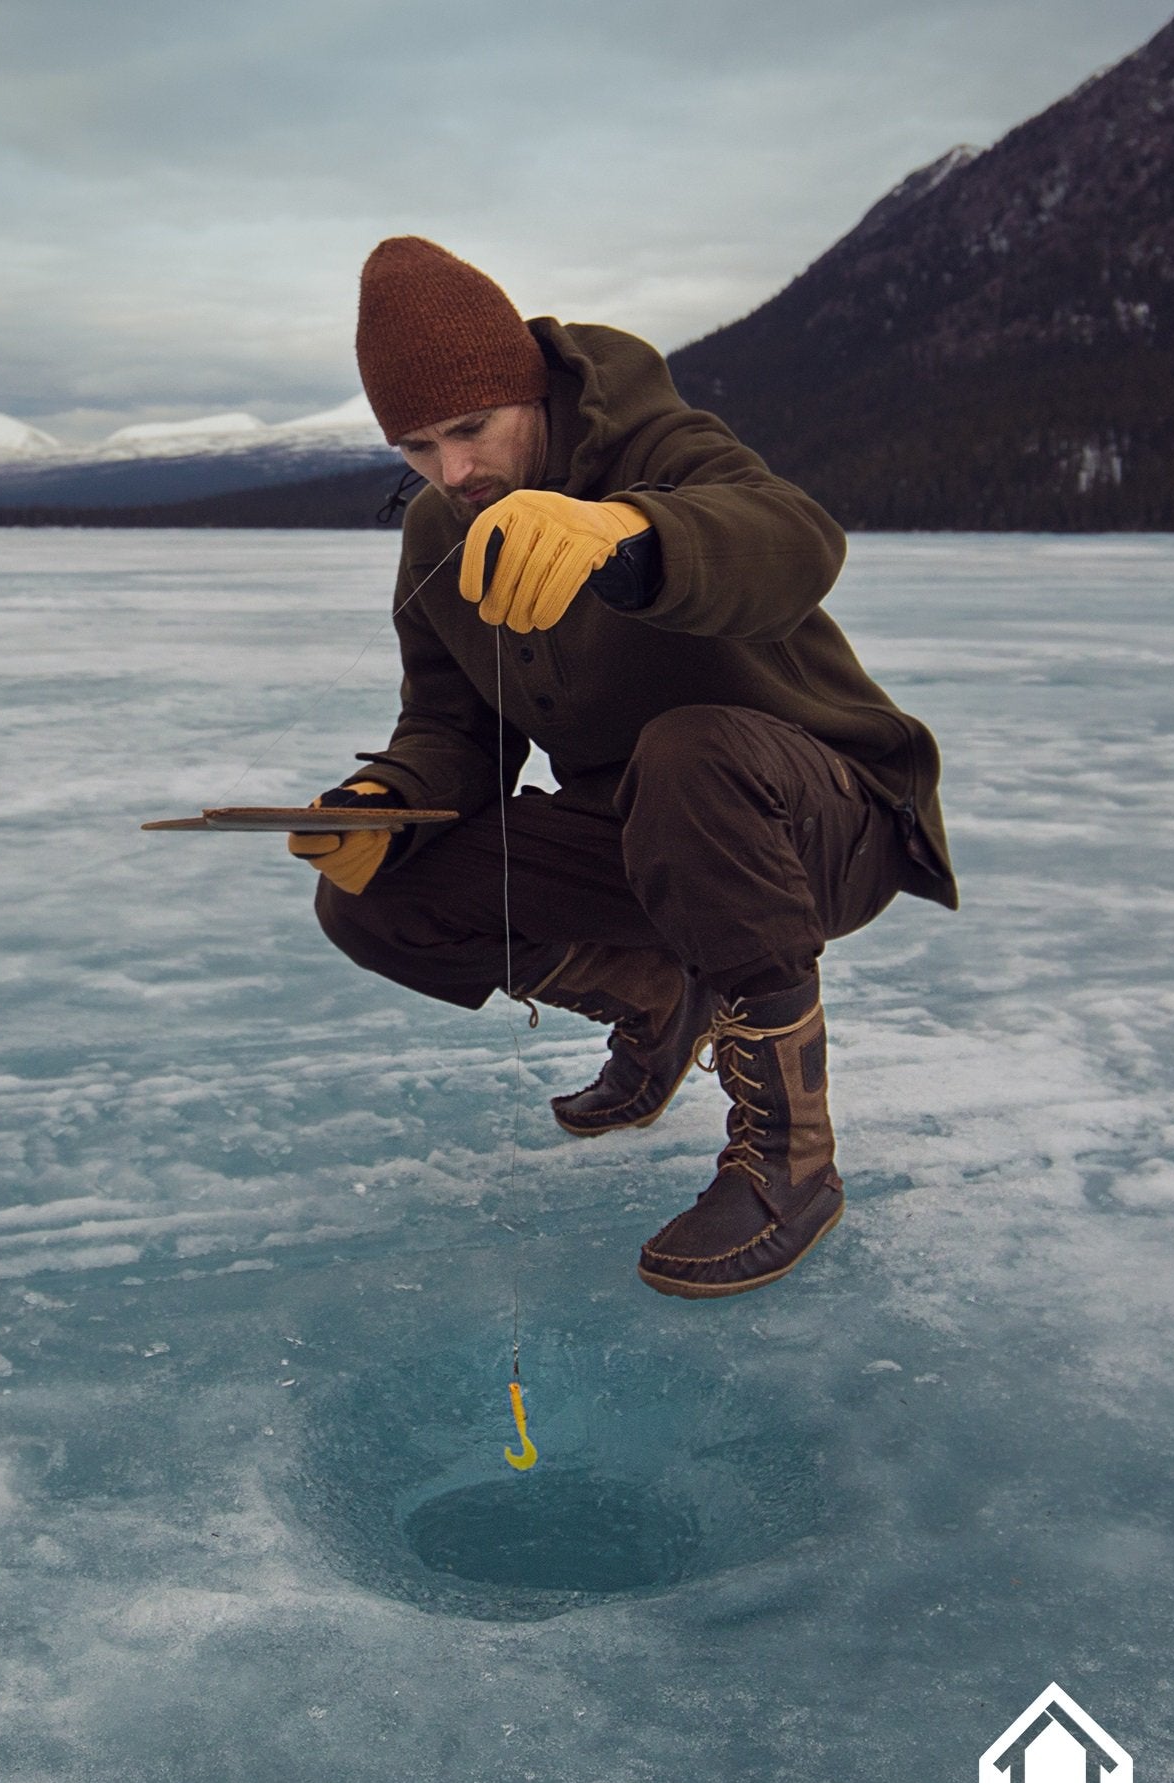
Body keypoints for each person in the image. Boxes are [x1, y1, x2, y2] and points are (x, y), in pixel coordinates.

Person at [290, 236, 957, 1300]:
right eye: (417, 446)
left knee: (691, 749)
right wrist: (389, 801)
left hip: (822, 815)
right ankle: (658, 996)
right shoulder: (439, 532)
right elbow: (453, 727)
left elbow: (796, 539)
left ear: (531, 391)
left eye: (472, 428)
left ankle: (791, 1159)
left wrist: (629, 535)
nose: (454, 470)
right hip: (649, 839)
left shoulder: (651, 440)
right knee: (371, 892)